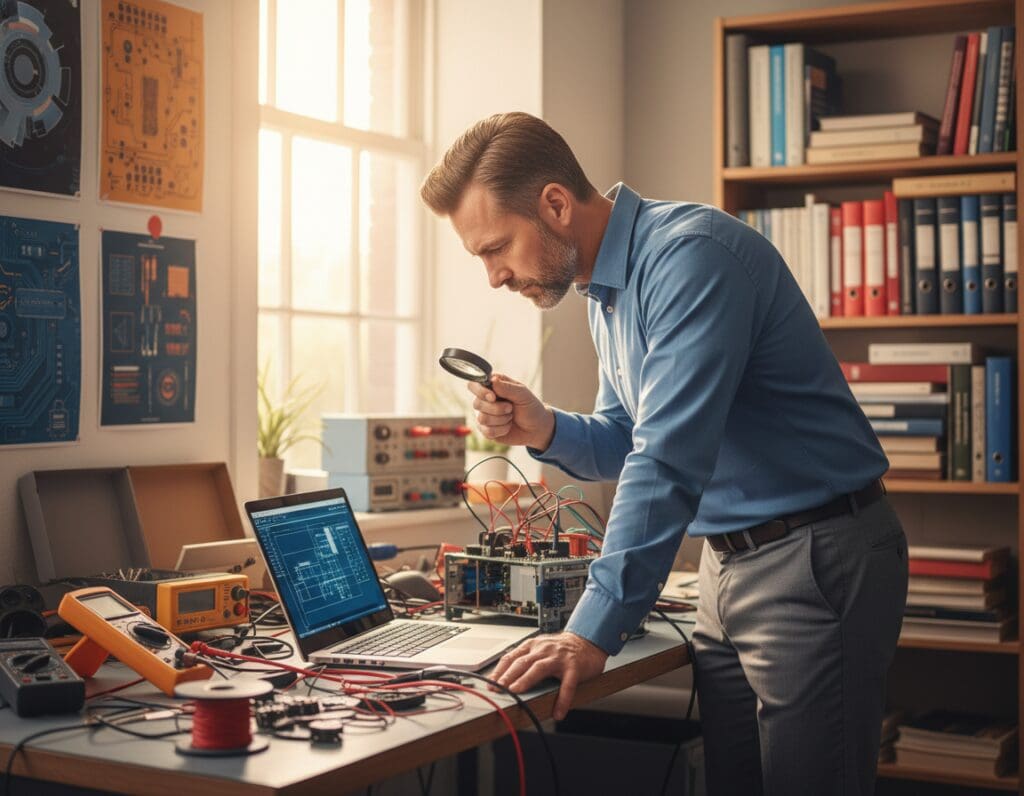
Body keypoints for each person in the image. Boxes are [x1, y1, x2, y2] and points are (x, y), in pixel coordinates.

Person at [419, 111, 908, 795]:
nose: (494, 276)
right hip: (725, 564)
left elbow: (665, 460)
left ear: (555, 204)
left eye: (496, 248)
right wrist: (544, 428)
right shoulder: (604, 291)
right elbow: (628, 436)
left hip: (812, 557)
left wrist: (590, 633)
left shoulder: (690, 257)